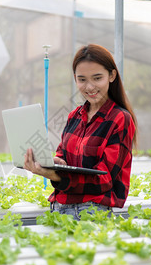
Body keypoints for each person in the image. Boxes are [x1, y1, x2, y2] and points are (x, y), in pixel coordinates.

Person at [24, 44, 137, 220]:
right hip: (58, 207)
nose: (89, 87)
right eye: (82, 79)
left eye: (97, 78)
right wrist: (50, 162)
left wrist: (54, 175)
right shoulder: (74, 116)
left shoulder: (120, 119)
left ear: (112, 76)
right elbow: (63, 157)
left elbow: (104, 179)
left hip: (91, 212)